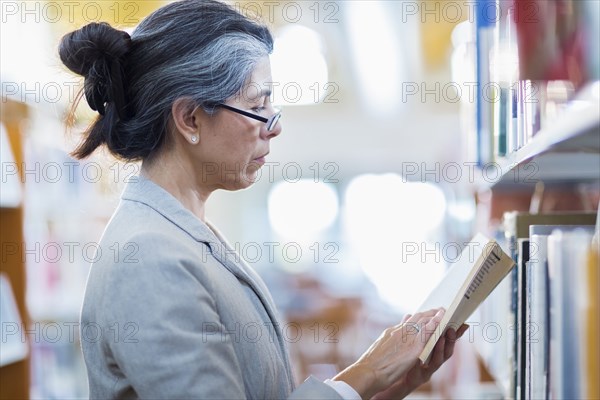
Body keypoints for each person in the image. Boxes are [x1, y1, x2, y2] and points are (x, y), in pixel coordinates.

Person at [59, 1, 467, 398]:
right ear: (190, 119)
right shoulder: (150, 258)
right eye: (257, 106)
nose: (273, 127)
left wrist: (379, 387)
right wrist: (366, 371)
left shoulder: (182, 233)